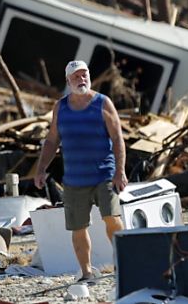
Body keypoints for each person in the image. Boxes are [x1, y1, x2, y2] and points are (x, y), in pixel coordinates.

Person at [34, 60, 128, 281]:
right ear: (68, 81)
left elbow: (117, 138)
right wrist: (41, 169)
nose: (81, 79)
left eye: (84, 74)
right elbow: (51, 140)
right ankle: (86, 271)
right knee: (78, 227)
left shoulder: (103, 103)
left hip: (104, 174)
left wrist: (120, 171)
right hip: (74, 179)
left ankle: (123, 262)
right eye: (76, 76)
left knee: (112, 218)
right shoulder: (61, 107)